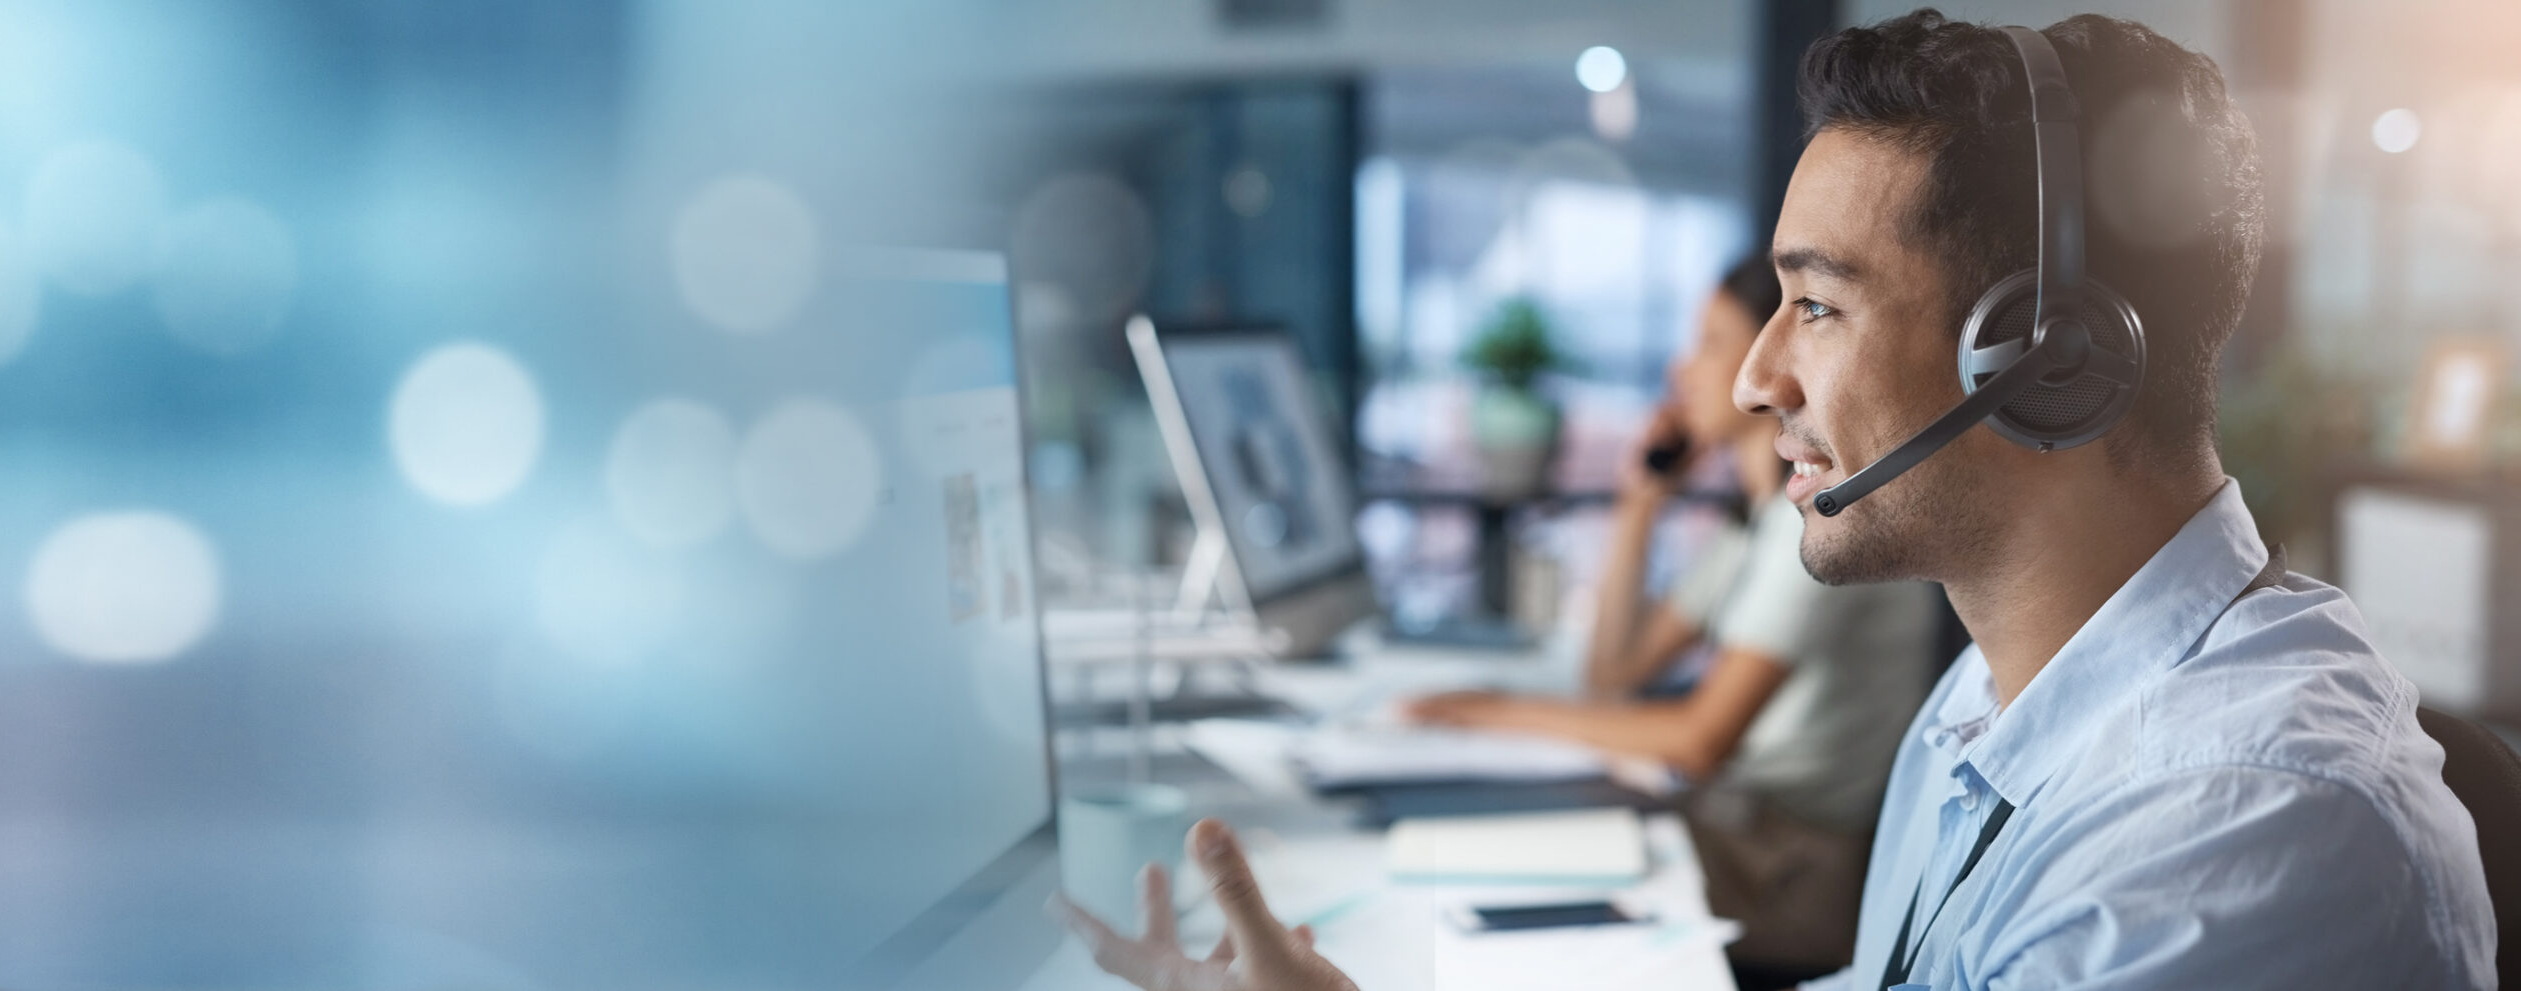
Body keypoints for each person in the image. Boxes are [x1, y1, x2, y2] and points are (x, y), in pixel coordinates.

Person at [1050, 11, 2497, 990]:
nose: (1749, 381)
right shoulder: (1992, 711)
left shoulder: (2245, 830)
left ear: (2043, 357)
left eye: (1815, 305)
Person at [1400, 255, 1942, 975]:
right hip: (1741, 831)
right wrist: (1641, 502)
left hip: (1789, 869)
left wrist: (1490, 710)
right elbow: (1613, 671)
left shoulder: (1815, 528)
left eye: (1712, 343)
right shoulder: (1754, 523)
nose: (1683, 372)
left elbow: (1696, 741)